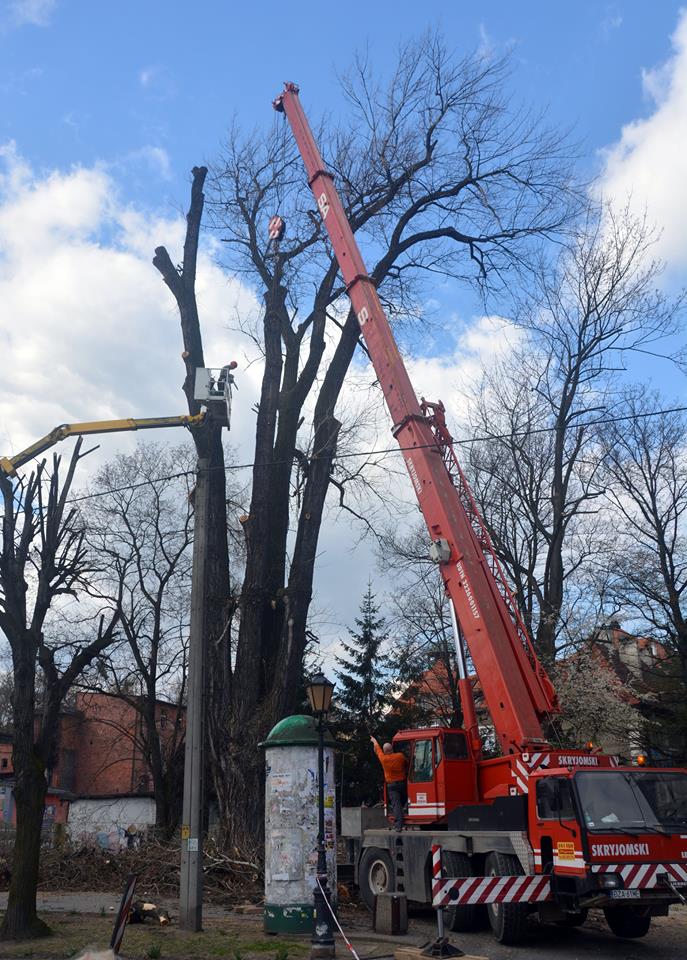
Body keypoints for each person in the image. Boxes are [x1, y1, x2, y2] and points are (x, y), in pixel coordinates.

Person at [371, 736, 407, 831]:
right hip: (403, 784)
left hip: (391, 785)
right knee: (404, 800)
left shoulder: (383, 759)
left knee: (396, 804)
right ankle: (406, 810)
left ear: (385, 751)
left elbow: (377, 750)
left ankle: (399, 825)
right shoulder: (400, 756)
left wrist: (374, 741)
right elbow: (407, 763)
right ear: (392, 749)